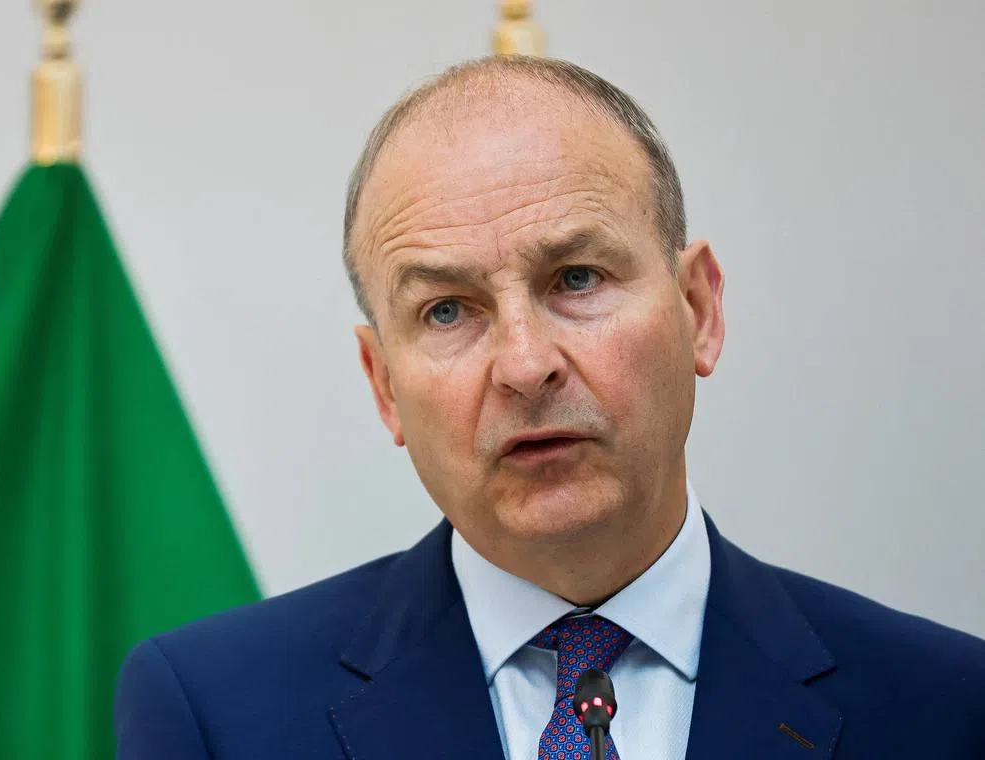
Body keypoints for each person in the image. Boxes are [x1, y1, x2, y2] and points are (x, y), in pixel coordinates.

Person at [114, 56, 985, 759]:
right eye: (446, 310)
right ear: (383, 384)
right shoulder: (216, 715)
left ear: (699, 312)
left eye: (577, 279)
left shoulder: (947, 708)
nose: (526, 367)